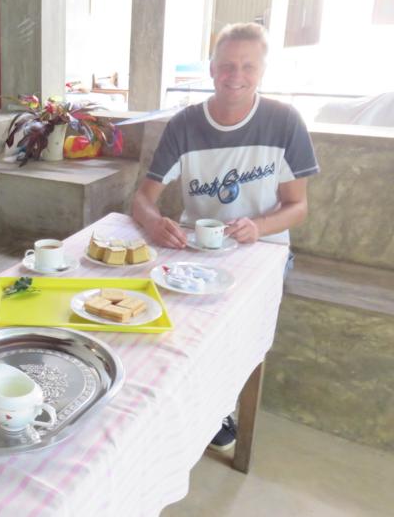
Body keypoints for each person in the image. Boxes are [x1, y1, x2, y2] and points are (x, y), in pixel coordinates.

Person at [132, 23, 319, 451]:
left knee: (228, 325)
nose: (236, 75)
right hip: (194, 251)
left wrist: (259, 226)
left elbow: (298, 206)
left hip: (264, 250)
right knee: (161, 319)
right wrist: (155, 222)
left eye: (248, 66)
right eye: (227, 65)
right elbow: (142, 199)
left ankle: (217, 408)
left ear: (263, 70)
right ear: (212, 69)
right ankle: (169, 408)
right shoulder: (184, 124)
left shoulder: (285, 121)